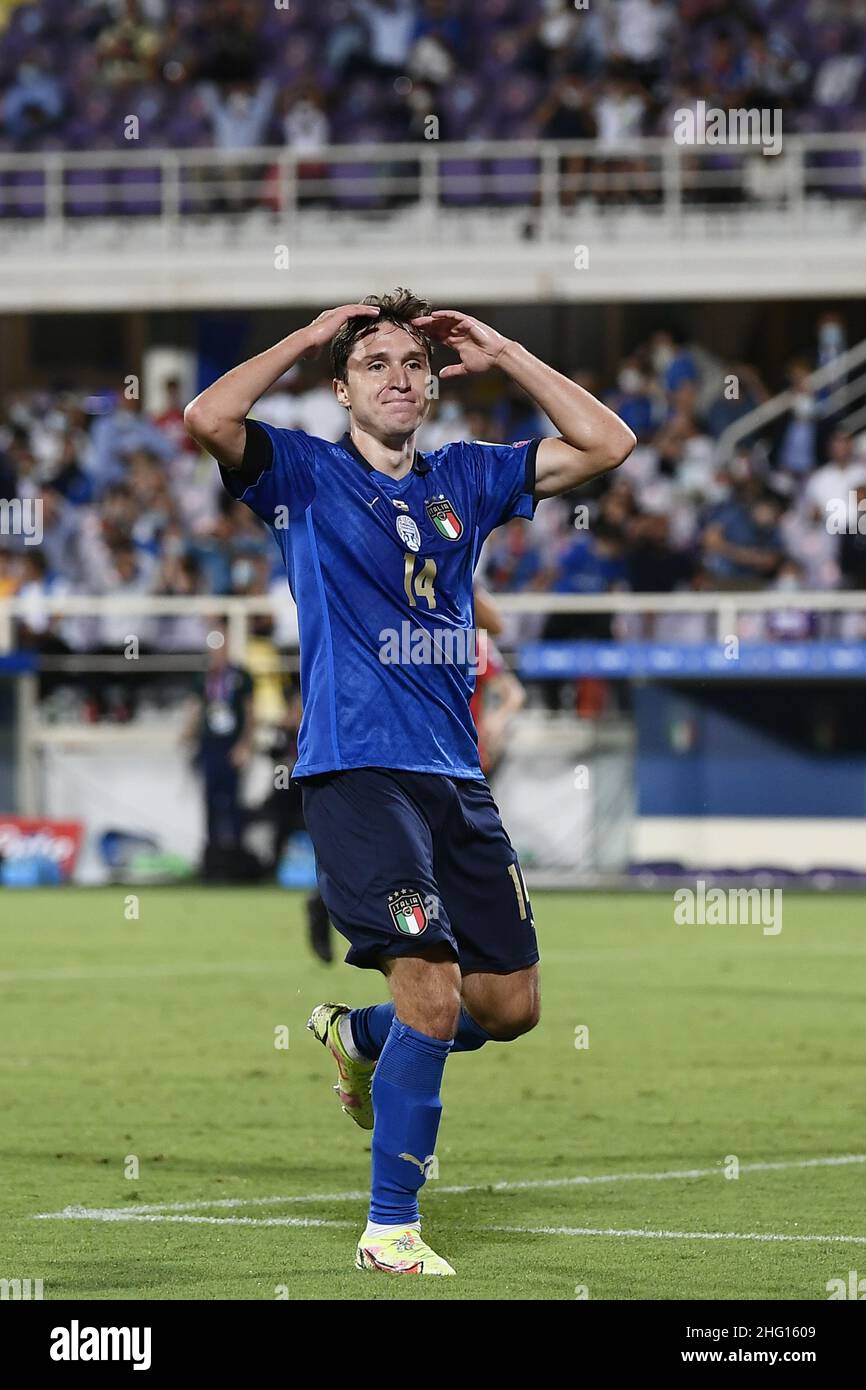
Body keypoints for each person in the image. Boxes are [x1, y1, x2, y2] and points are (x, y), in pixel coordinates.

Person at [184, 289, 635, 1277]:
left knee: (508, 1005)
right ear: (340, 387)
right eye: (375, 363)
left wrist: (506, 349)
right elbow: (207, 419)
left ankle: (358, 1037)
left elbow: (605, 442)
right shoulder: (301, 472)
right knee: (433, 993)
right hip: (356, 770)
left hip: (455, 775)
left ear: (435, 384)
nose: (398, 378)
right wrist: (307, 336)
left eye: (413, 365)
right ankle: (389, 1226)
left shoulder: (467, 478)